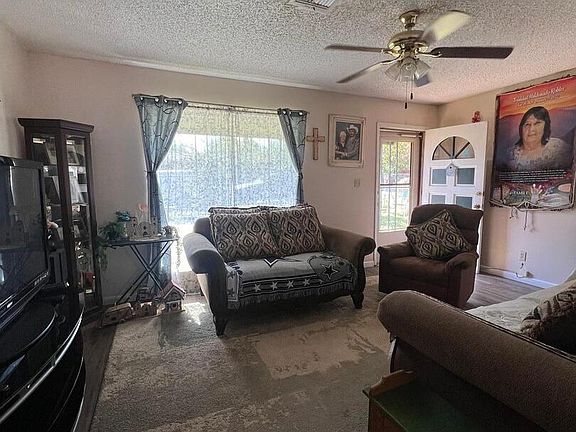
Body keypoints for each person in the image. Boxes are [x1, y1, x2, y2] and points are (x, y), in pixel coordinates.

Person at [506, 106, 573, 171]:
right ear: (521, 129)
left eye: (537, 123)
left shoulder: (557, 148)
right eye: (527, 124)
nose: (531, 129)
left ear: (546, 126)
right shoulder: (510, 155)